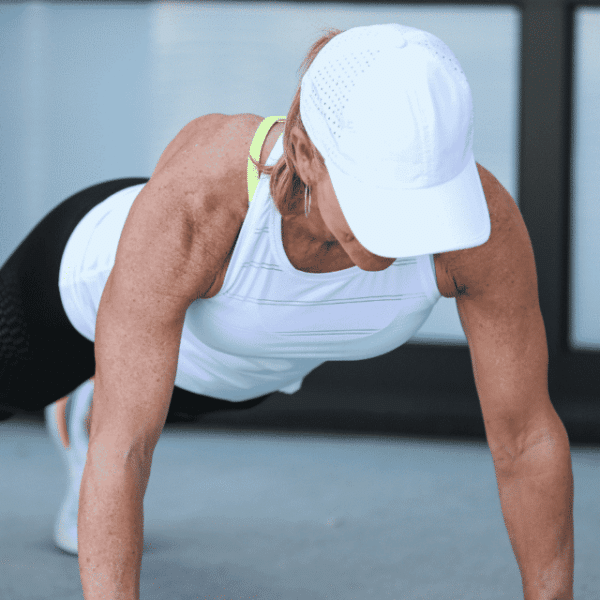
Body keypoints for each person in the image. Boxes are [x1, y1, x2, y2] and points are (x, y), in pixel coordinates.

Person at [0, 23, 574, 600]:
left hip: (236, 364)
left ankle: (89, 405)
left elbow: (525, 439)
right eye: (380, 202)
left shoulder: (479, 225)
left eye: (420, 207)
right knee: (94, 416)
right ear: (304, 152)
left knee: (167, 395)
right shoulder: (201, 200)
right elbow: (125, 449)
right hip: (73, 294)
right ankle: (93, 401)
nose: (402, 238)